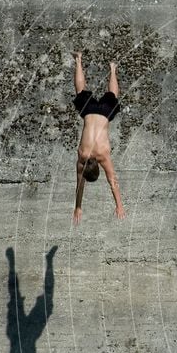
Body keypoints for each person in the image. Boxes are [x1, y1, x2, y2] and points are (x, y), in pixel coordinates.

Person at [71, 52, 126, 224]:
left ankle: (112, 68)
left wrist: (119, 205)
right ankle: (79, 59)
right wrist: (77, 206)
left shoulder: (103, 155)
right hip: (89, 111)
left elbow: (112, 180)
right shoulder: (82, 155)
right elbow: (80, 183)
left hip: (104, 114)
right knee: (80, 90)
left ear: (98, 168)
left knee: (113, 95)